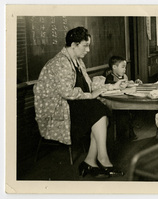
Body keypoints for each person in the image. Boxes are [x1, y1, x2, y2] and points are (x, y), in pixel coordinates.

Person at [33, 27, 124, 178]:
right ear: (74, 45)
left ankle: (90, 161)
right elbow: (66, 92)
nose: (88, 50)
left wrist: (110, 86)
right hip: (59, 109)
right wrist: (91, 96)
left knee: (101, 113)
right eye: (85, 45)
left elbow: (88, 86)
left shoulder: (77, 61)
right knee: (98, 111)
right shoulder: (60, 63)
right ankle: (102, 159)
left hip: (75, 104)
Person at [104, 55, 142, 140]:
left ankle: (130, 132)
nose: (125, 69)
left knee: (132, 111)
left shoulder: (124, 76)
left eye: (125, 67)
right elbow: (111, 86)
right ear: (114, 67)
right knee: (122, 116)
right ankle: (123, 136)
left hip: (125, 100)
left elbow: (127, 84)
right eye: (123, 67)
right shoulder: (109, 78)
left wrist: (134, 83)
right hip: (115, 103)